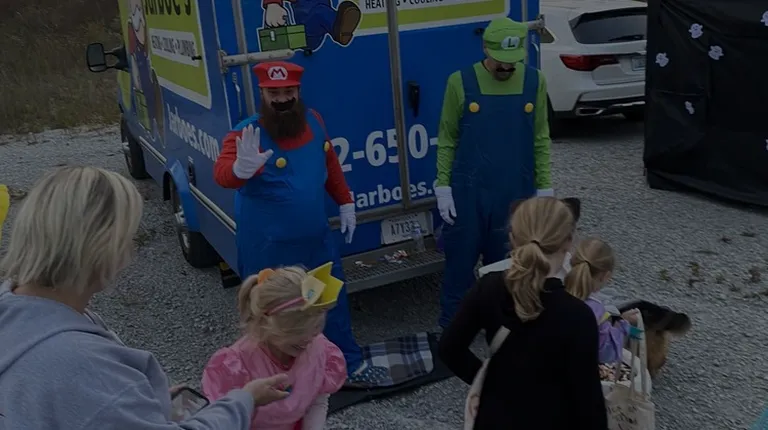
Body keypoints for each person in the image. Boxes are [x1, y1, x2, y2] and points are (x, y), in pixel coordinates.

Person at [0, 166, 290, 429]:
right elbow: (94, 394)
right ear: (98, 247)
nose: (130, 250)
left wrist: (138, 404)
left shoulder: (13, 308)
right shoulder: (85, 367)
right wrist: (244, 400)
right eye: (127, 237)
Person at [213, 61, 378, 384]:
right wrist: (239, 170)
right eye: (273, 93)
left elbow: (329, 162)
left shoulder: (314, 120)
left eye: (288, 91)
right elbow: (222, 174)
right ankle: (275, 378)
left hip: (316, 242)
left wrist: (345, 200)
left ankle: (346, 364)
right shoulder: (246, 133)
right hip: (268, 250)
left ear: (298, 92)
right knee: (273, 314)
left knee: (328, 301)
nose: (282, 99)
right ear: (262, 94)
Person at [438, 197, 607, 429]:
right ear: (569, 242)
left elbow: (449, 348)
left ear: (512, 239)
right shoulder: (579, 316)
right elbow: (589, 405)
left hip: (494, 418)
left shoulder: (488, 288)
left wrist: (488, 382)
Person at [434, 17, 554, 329]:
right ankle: (453, 333)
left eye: (513, 60)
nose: (507, 67)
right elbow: (447, 139)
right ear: (485, 48)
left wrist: (545, 187)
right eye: (501, 60)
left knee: (509, 271)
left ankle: (504, 334)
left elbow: (540, 138)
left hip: (515, 194)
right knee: (459, 269)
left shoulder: (535, 81)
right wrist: (443, 186)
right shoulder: (460, 82)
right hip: (468, 193)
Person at [202, 265, 347, 430]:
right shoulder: (237, 366)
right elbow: (226, 420)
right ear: (265, 323)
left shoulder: (318, 346)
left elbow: (318, 400)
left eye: (315, 329)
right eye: (297, 332)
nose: (308, 340)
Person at [565, 238, 640, 364]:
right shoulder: (596, 311)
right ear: (606, 276)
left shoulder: (553, 293)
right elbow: (606, 353)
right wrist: (622, 325)